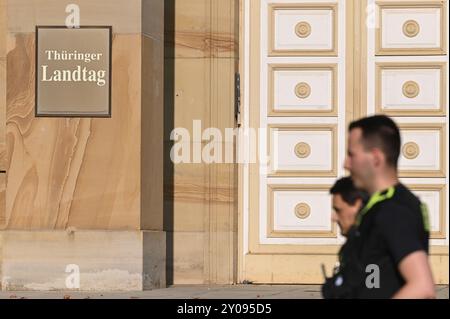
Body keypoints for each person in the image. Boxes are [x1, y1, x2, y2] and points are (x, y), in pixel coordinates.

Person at [343, 115, 435, 298]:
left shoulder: (394, 210)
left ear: (376, 157)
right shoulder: (380, 204)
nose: (345, 164)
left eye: (352, 155)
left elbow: (422, 287)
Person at [322, 177, 368, 298]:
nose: (334, 218)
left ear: (357, 205)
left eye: (338, 210)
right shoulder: (352, 244)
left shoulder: (372, 245)